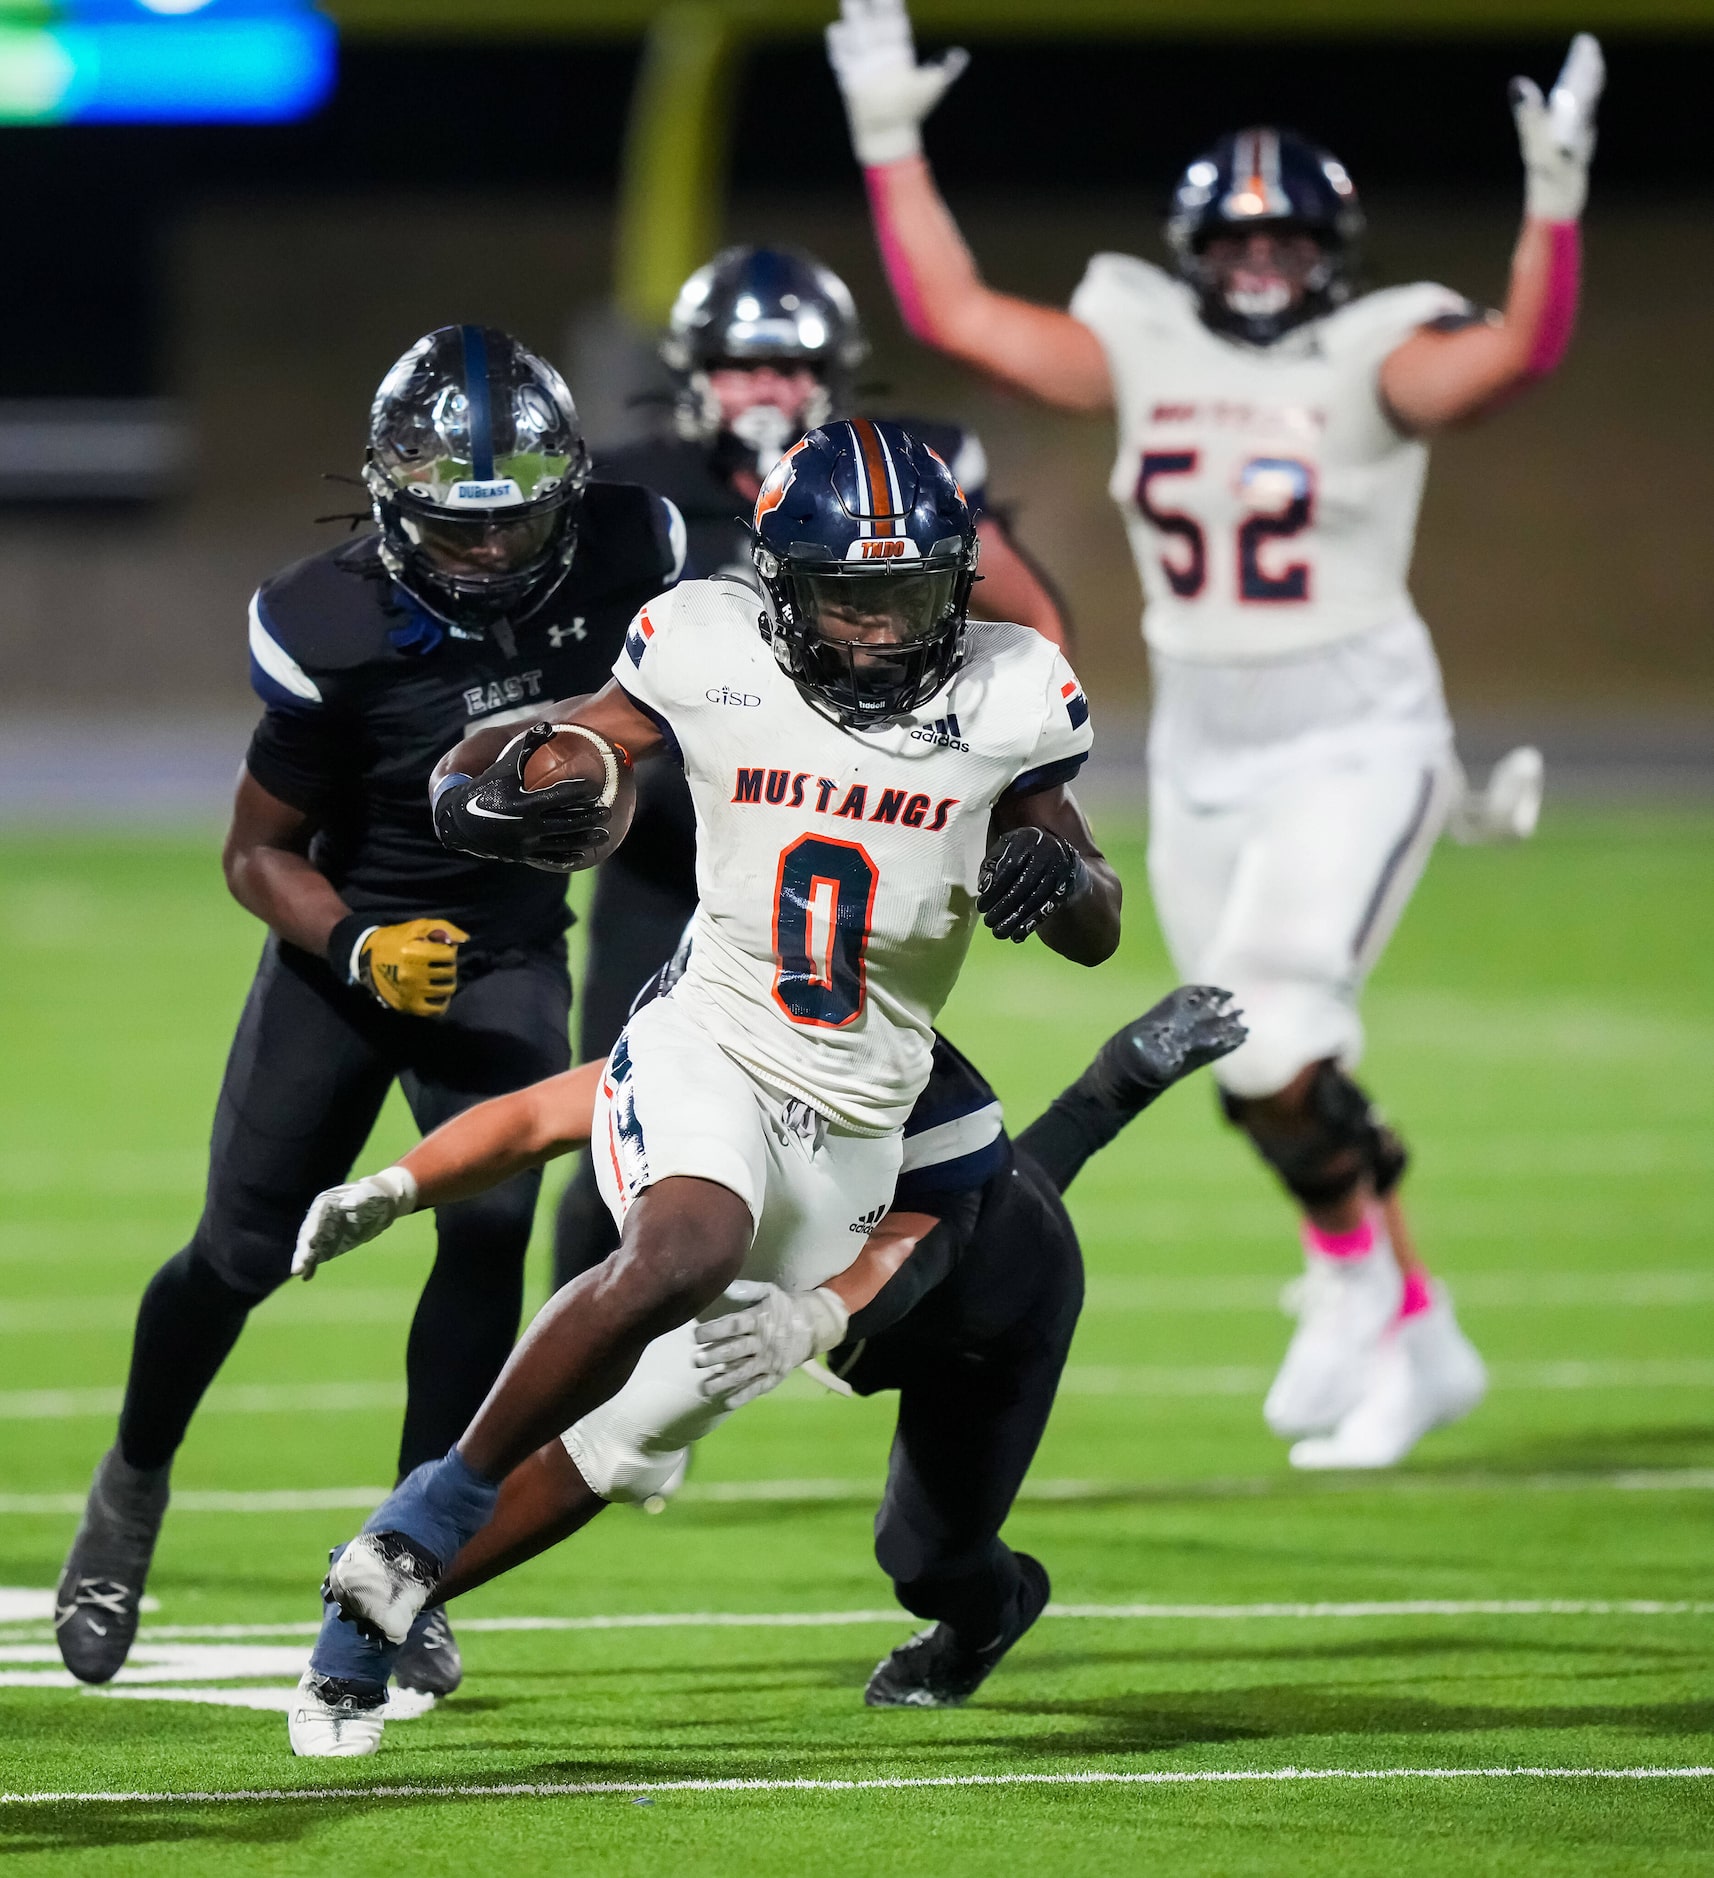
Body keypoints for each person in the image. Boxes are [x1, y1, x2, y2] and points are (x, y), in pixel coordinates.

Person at [825, 0, 1604, 1468]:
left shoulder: (1376, 348)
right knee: (1241, 1039)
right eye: (1236, 243)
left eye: (1283, 242)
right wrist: (885, 133)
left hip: (1351, 726)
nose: (1258, 265)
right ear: (1197, 254)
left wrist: (1551, 201)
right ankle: (1399, 1316)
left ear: (1330, 253)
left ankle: (1364, 1287)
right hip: (1201, 739)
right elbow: (956, 316)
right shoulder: (1145, 333)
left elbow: (1513, 358)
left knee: (1279, 1035)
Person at [284, 417, 1122, 1750]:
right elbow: (571, 745)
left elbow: (1095, 914)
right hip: (710, 1029)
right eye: (844, 599)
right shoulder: (706, 643)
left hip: (856, 1109)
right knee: (682, 1242)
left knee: (630, 1432)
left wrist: (1064, 883)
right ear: (781, 588)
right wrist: (510, 777)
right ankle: (427, 1508)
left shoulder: (1011, 690)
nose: (873, 634)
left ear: (954, 589)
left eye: (904, 599)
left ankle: (369, 1605)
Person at [53, 326, 685, 1694]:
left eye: (512, 520)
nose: (485, 554)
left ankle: (409, 1556)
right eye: (452, 528)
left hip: (508, 954)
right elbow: (252, 853)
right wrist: (353, 945)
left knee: (491, 1236)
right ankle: (128, 1493)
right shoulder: (327, 618)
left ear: (564, 497)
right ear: (390, 502)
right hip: (345, 957)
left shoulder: (637, 553)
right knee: (235, 1253)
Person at [284, 972, 1244, 1750]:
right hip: (804, 1275)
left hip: (979, 1314)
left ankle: (995, 1613)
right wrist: (399, 1185)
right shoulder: (706, 1032)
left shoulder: (915, 1092)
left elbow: (935, 1236)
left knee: (926, 1559)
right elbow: (540, 1118)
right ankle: (383, 1592)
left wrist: (819, 1313)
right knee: (612, 1432)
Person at [556, 243, 1071, 1294]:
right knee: (612, 1135)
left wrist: (987, 760)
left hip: (855, 842)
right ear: (695, 373)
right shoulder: (633, 484)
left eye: (788, 367)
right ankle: (590, 1377)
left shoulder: (904, 475)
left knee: (853, 1137)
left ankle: (809, 1325)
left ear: (831, 374)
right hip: (674, 850)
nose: (766, 388)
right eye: (743, 365)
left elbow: (1031, 621)